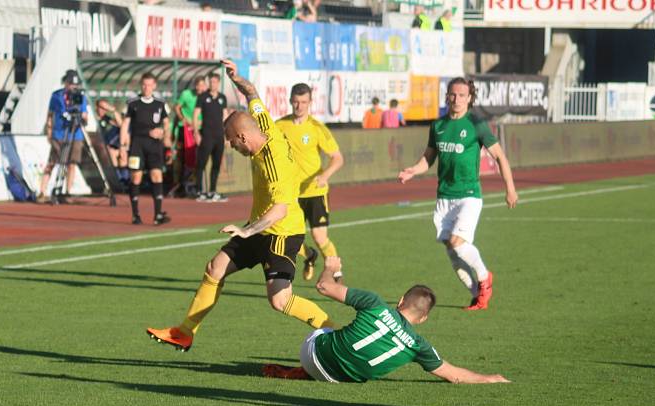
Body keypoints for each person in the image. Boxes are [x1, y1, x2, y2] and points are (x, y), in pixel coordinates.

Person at [145, 59, 336, 352]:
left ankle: (331, 331)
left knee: (279, 299)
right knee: (215, 266)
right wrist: (236, 78)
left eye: (233, 142)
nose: (233, 147)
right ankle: (185, 332)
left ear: (243, 137)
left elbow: (280, 210)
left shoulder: (274, 165)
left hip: (283, 233)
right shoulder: (263, 124)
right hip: (260, 226)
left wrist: (247, 232)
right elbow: (252, 94)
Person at [262, 257, 511, 384]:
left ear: (401, 300)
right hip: (339, 380)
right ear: (423, 318)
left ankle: (310, 365)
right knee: (349, 345)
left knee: (328, 327)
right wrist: (489, 378)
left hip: (312, 354)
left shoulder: (374, 303)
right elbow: (453, 374)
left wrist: (331, 267)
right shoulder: (418, 345)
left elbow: (324, 287)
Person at [398, 77, 518, 311]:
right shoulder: (438, 125)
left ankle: (485, 278)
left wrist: (510, 188)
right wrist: (413, 170)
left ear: (470, 98)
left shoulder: (476, 123)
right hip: (444, 197)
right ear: (447, 96)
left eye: (462, 95)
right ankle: (476, 294)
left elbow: (500, 157)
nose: (457, 99)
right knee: (450, 247)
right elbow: (428, 158)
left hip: (469, 194)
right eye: (453, 94)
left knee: (457, 242)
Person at [276, 83, 344, 282]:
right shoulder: (280, 126)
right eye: (296, 102)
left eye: (304, 102)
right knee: (284, 236)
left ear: (310, 103)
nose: (299, 106)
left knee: (319, 236)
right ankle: (310, 255)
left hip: (315, 192)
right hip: (291, 193)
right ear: (290, 101)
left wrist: (325, 176)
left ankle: (337, 274)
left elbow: (338, 158)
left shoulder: (317, 128)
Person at [120, 72, 173, 225]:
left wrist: (163, 133)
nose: (147, 87)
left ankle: (158, 215)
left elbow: (166, 124)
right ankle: (135, 215)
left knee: (157, 176)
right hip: (137, 146)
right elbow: (125, 125)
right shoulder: (132, 103)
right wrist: (123, 147)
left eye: (150, 85)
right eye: (144, 84)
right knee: (136, 178)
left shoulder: (160, 103)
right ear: (141, 85)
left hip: (154, 147)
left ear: (154, 86)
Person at [38, 69, 88, 202]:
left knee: (72, 163)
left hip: (75, 134)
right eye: (71, 84)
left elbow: (84, 115)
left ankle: (67, 192)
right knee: (53, 162)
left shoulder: (81, 97)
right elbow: (50, 115)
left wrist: (83, 119)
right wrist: (49, 131)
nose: (74, 87)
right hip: (59, 133)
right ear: (65, 83)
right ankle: (42, 191)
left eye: (76, 84)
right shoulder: (56, 96)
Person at [193, 72, 228, 202]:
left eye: (215, 82)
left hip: (219, 136)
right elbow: (195, 115)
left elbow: (225, 116)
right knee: (202, 163)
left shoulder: (222, 98)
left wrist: (227, 135)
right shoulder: (202, 97)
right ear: (209, 83)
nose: (213, 84)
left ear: (218, 83)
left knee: (216, 164)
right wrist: (196, 132)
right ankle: (200, 191)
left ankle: (212, 191)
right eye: (211, 82)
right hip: (206, 135)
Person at [173, 76, 207, 197]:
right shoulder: (186, 94)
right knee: (183, 157)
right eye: (198, 85)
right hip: (185, 129)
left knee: (199, 157)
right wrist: (183, 119)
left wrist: (200, 124)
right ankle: (181, 186)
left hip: (200, 129)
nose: (200, 88)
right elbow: (176, 107)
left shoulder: (206, 97)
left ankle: (195, 185)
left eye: (202, 85)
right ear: (195, 85)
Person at [95, 99, 128, 187]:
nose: (102, 110)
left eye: (105, 108)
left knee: (121, 154)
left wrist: (113, 110)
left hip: (107, 148)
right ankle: (118, 180)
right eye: (101, 107)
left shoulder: (106, 119)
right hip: (96, 148)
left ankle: (124, 181)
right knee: (111, 152)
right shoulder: (92, 118)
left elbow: (122, 125)